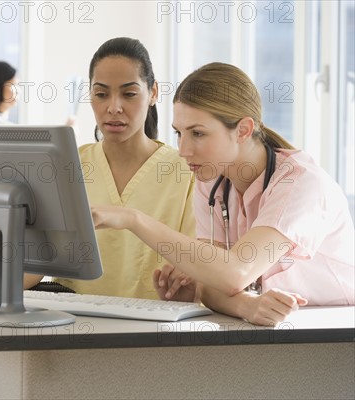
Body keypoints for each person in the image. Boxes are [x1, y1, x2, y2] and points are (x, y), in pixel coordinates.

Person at [0, 37, 195, 306]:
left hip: (155, 331)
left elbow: (198, 264)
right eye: (101, 94)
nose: (113, 107)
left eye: (129, 94)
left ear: (153, 93)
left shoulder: (186, 172)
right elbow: (42, 257)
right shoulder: (68, 165)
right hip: (75, 325)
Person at [91, 62, 355, 326]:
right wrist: (244, 305)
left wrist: (134, 219)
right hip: (282, 329)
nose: (183, 150)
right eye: (179, 133)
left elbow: (235, 272)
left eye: (197, 133)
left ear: (243, 130)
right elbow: (210, 284)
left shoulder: (300, 184)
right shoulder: (213, 181)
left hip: (336, 329)